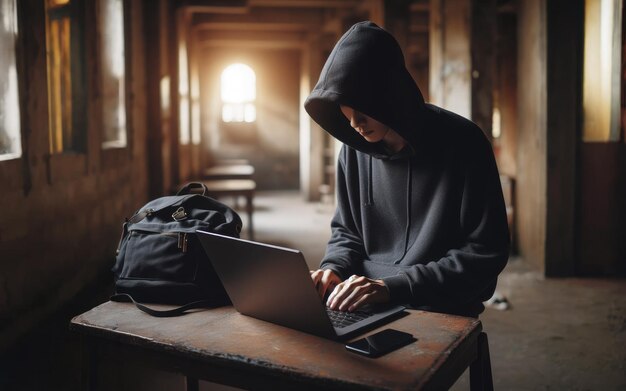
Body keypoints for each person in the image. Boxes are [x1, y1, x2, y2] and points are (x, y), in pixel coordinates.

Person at [304, 21, 510, 318]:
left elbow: (484, 253)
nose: (354, 125)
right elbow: (346, 232)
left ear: (387, 94)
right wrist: (332, 269)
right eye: (345, 114)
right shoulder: (352, 150)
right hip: (364, 299)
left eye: (362, 111)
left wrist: (394, 286)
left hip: (439, 301)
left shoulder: (465, 142)